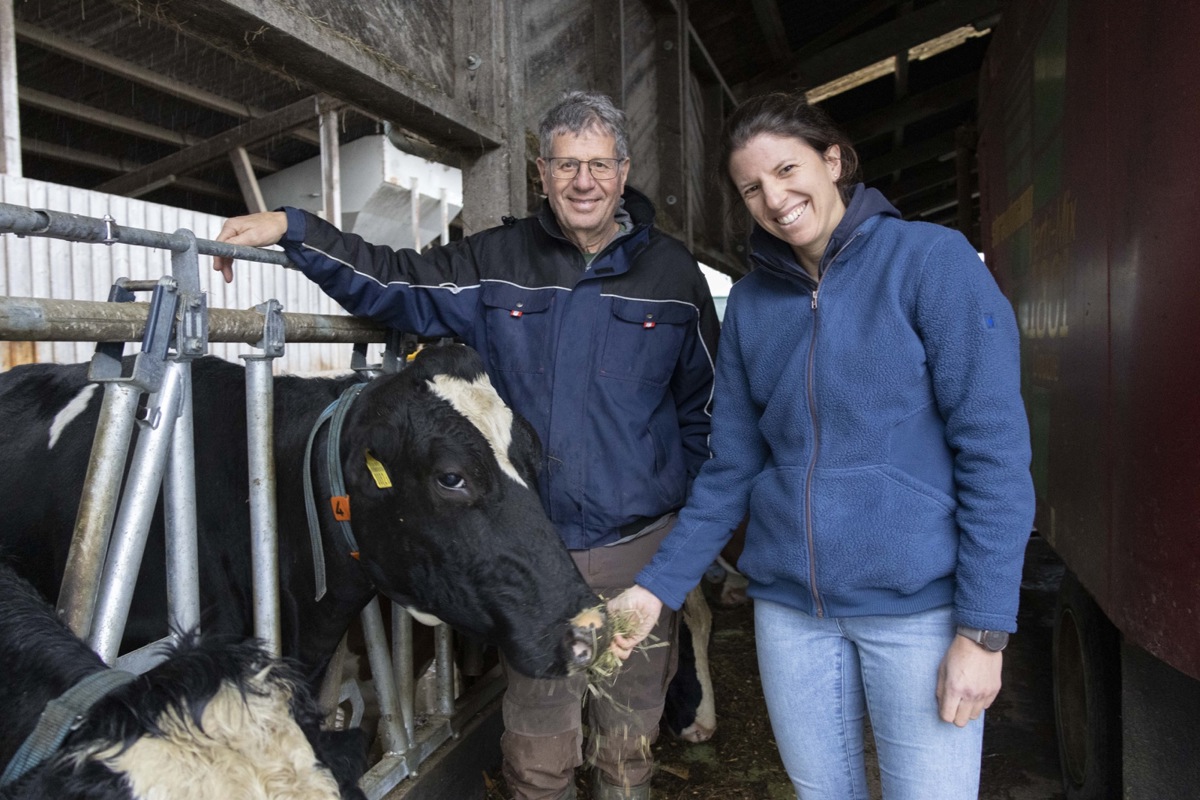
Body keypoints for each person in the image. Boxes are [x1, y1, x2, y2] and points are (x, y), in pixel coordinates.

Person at [213, 90, 719, 800]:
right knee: (539, 759)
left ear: (624, 169)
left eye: (599, 164)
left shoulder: (674, 278)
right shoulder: (495, 260)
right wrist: (295, 229)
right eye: (566, 164)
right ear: (540, 173)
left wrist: (682, 552)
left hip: (639, 555)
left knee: (627, 746)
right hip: (536, 557)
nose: (584, 181)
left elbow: (705, 415)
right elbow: (391, 281)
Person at [606, 91, 1034, 800]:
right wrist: (655, 589)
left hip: (916, 613)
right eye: (752, 187)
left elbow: (993, 452)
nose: (775, 198)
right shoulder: (749, 304)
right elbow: (731, 466)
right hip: (792, 617)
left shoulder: (930, 261)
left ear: (832, 160)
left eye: (787, 169)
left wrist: (984, 632)